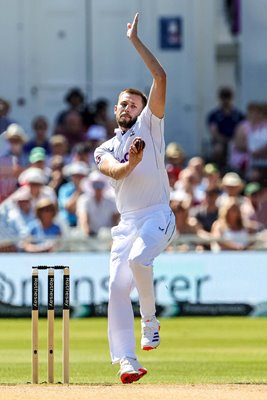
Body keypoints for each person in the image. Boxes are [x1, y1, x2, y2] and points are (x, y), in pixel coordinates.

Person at [94, 14, 176, 384]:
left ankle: (149, 320)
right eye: (122, 104)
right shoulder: (104, 148)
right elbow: (113, 170)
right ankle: (128, 362)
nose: (127, 108)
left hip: (158, 214)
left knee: (142, 259)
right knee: (115, 287)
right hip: (126, 223)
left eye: (133, 104)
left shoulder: (150, 125)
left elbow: (160, 77)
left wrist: (135, 42)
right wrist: (132, 164)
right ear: (115, 110)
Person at [207, 86, 244, 169]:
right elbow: (214, 131)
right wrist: (225, 141)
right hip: (220, 141)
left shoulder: (238, 115)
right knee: (218, 150)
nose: (226, 100)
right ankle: (219, 169)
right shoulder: (215, 115)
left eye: (228, 97)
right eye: (223, 97)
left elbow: (242, 129)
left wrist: (234, 141)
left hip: (236, 141)